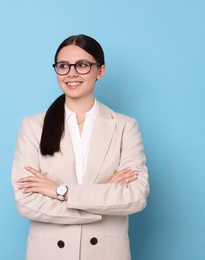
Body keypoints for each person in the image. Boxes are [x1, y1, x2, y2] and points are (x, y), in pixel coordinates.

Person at [11, 34, 149, 260]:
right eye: (63, 66)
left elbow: (134, 196)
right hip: (49, 253)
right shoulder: (33, 126)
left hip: (106, 253)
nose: (71, 73)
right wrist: (103, 196)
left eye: (83, 65)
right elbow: (26, 202)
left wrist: (60, 191)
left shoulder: (125, 126)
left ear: (100, 71)